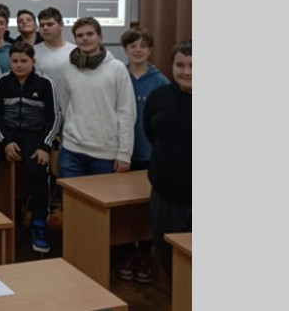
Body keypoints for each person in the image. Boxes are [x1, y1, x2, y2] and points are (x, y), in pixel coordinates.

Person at [0, 41, 61, 253]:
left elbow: (54, 117)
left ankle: (39, 223)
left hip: (34, 134)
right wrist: (6, 141)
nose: (19, 65)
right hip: (7, 132)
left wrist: (45, 146)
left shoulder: (45, 83)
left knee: (38, 168)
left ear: (33, 62)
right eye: (15, 61)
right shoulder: (2, 81)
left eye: (24, 61)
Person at [116, 27, 171, 282]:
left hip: (151, 155)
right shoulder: (118, 75)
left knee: (148, 209)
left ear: (150, 50)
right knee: (124, 209)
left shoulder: (161, 82)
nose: (138, 50)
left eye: (143, 46)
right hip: (123, 153)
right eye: (132, 46)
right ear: (125, 50)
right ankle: (127, 253)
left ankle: (146, 253)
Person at [53, 17, 135, 179]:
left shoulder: (117, 69)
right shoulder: (67, 69)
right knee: (70, 204)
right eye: (80, 35)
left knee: (102, 203)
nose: (84, 38)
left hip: (106, 154)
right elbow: (65, 105)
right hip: (72, 150)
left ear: (100, 37)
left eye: (90, 34)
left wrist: (124, 154)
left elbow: (126, 113)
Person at [144, 40, 192, 282]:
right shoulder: (159, 96)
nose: (186, 72)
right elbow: (150, 133)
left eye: (193, 66)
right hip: (165, 197)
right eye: (180, 65)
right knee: (170, 260)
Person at [32, 7, 75, 81]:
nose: (45, 28)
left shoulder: (75, 51)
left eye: (50, 24)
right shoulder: (32, 52)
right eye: (42, 25)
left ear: (61, 25)